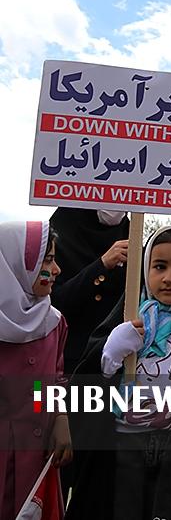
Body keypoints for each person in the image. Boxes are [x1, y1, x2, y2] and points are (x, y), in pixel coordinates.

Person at [66, 225, 171, 519]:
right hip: (120, 458)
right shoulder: (127, 325)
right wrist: (107, 357)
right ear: (145, 268)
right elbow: (83, 396)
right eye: (159, 266)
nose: (169, 278)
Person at [0, 221, 71, 518]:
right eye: (48, 260)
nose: (56, 270)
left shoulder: (53, 323)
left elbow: (49, 381)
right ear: (17, 265)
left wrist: (60, 418)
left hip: (36, 457)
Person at [48, 207, 130, 374]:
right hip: (65, 359)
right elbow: (54, 304)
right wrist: (102, 265)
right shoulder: (62, 231)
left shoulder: (130, 233)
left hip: (112, 361)